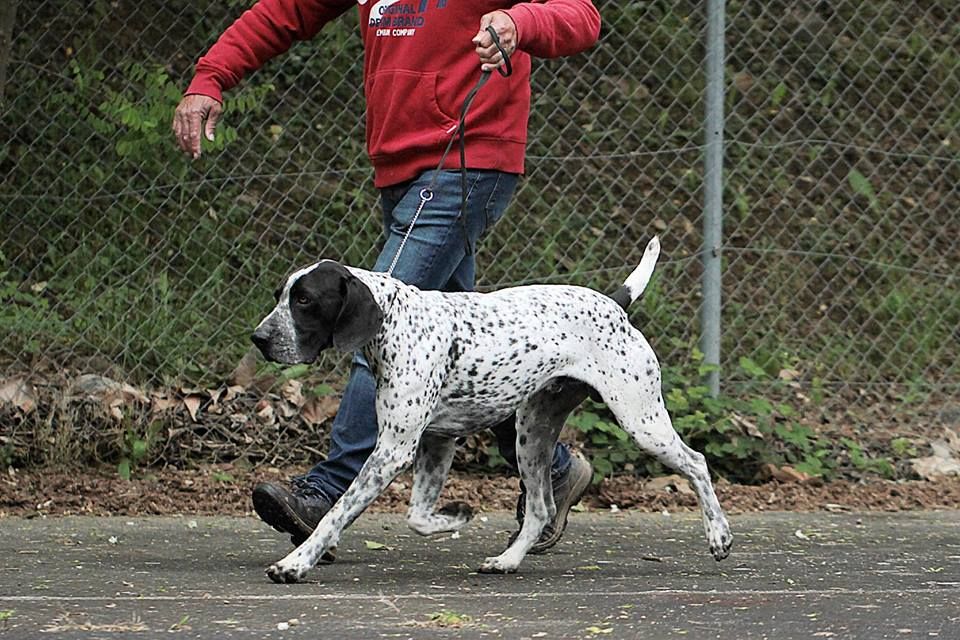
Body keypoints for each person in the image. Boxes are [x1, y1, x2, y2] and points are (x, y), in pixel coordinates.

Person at [172, 0, 601, 556]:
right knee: (467, 351)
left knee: (373, 323)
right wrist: (211, 77)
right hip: (398, 168)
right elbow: (283, 11)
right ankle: (557, 471)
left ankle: (328, 490)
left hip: (466, 159)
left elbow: (583, 15)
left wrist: (519, 24)